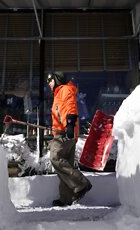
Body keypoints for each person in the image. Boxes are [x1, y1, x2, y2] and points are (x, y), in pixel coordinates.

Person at [46, 72, 92, 206]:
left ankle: (81, 183)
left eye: (50, 80)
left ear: (57, 80)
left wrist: (69, 125)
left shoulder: (64, 90)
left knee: (55, 157)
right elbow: (61, 112)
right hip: (64, 132)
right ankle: (66, 198)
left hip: (65, 133)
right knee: (66, 163)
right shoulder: (59, 93)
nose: (48, 83)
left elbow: (69, 106)